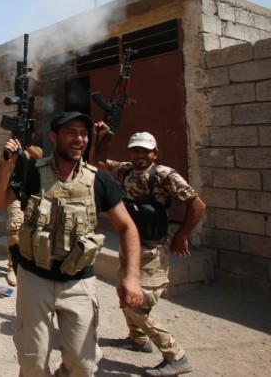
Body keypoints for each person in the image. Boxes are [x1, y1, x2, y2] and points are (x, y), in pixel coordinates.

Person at [0, 111, 144, 377]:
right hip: (35, 277)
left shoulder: (98, 180)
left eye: (83, 133)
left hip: (78, 281)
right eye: (71, 132)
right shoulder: (33, 173)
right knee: (33, 361)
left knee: (83, 365)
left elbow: (127, 227)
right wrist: (7, 167)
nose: (79, 139)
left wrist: (132, 276)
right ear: (54, 137)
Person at [89, 123, 205, 377]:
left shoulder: (165, 175)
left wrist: (182, 235)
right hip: (130, 246)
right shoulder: (125, 170)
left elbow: (197, 205)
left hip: (153, 250)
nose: (140, 155)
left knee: (136, 304)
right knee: (123, 291)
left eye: (145, 151)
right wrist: (102, 136)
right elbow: (96, 162)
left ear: (155, 153)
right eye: (135, 151)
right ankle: (138, 339)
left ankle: (176, 355)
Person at [4, 145, 43, 287]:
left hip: (33, 195)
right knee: (15, 229)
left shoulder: (34, 148)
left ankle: (29, 265)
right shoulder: (10, 148)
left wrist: (26, 146)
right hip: (15, 193)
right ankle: (12, 266)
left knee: (33, 231)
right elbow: (4, 168)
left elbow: (40, 156)